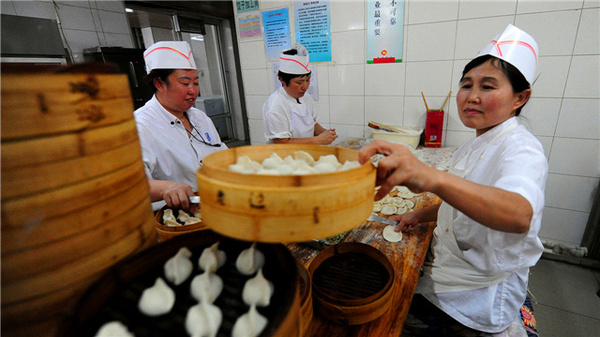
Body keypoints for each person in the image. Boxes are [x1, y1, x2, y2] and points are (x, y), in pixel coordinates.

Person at [359, 24, 547, 337]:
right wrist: (419, 215)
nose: (472, 97)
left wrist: (430, 176)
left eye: (487, 87)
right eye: (466, 85)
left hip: (475, 302)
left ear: (520, 98)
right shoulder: (477, 142)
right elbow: (463, 201)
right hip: (449, 273)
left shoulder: (521, 148)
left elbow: (518, 214)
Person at [135, 41, 227, 212]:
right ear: (159, 84)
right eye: (185, 83)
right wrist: (166, 188)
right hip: (172, 218)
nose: (193, 91)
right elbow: (131, 186)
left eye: (196, 83)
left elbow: (222, 156)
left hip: (214, 207)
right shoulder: (140, 126)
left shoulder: (200, 118)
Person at [263, 42, 337, 145]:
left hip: (306, 154)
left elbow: (313, 124)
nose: (305, 86)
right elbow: (282, 143)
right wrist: (317, 140)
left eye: (308, 80)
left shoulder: (306, 98)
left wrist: (325, 133)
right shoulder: (275, 106)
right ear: (282, 80)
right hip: (284, 158)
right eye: (299, 82)